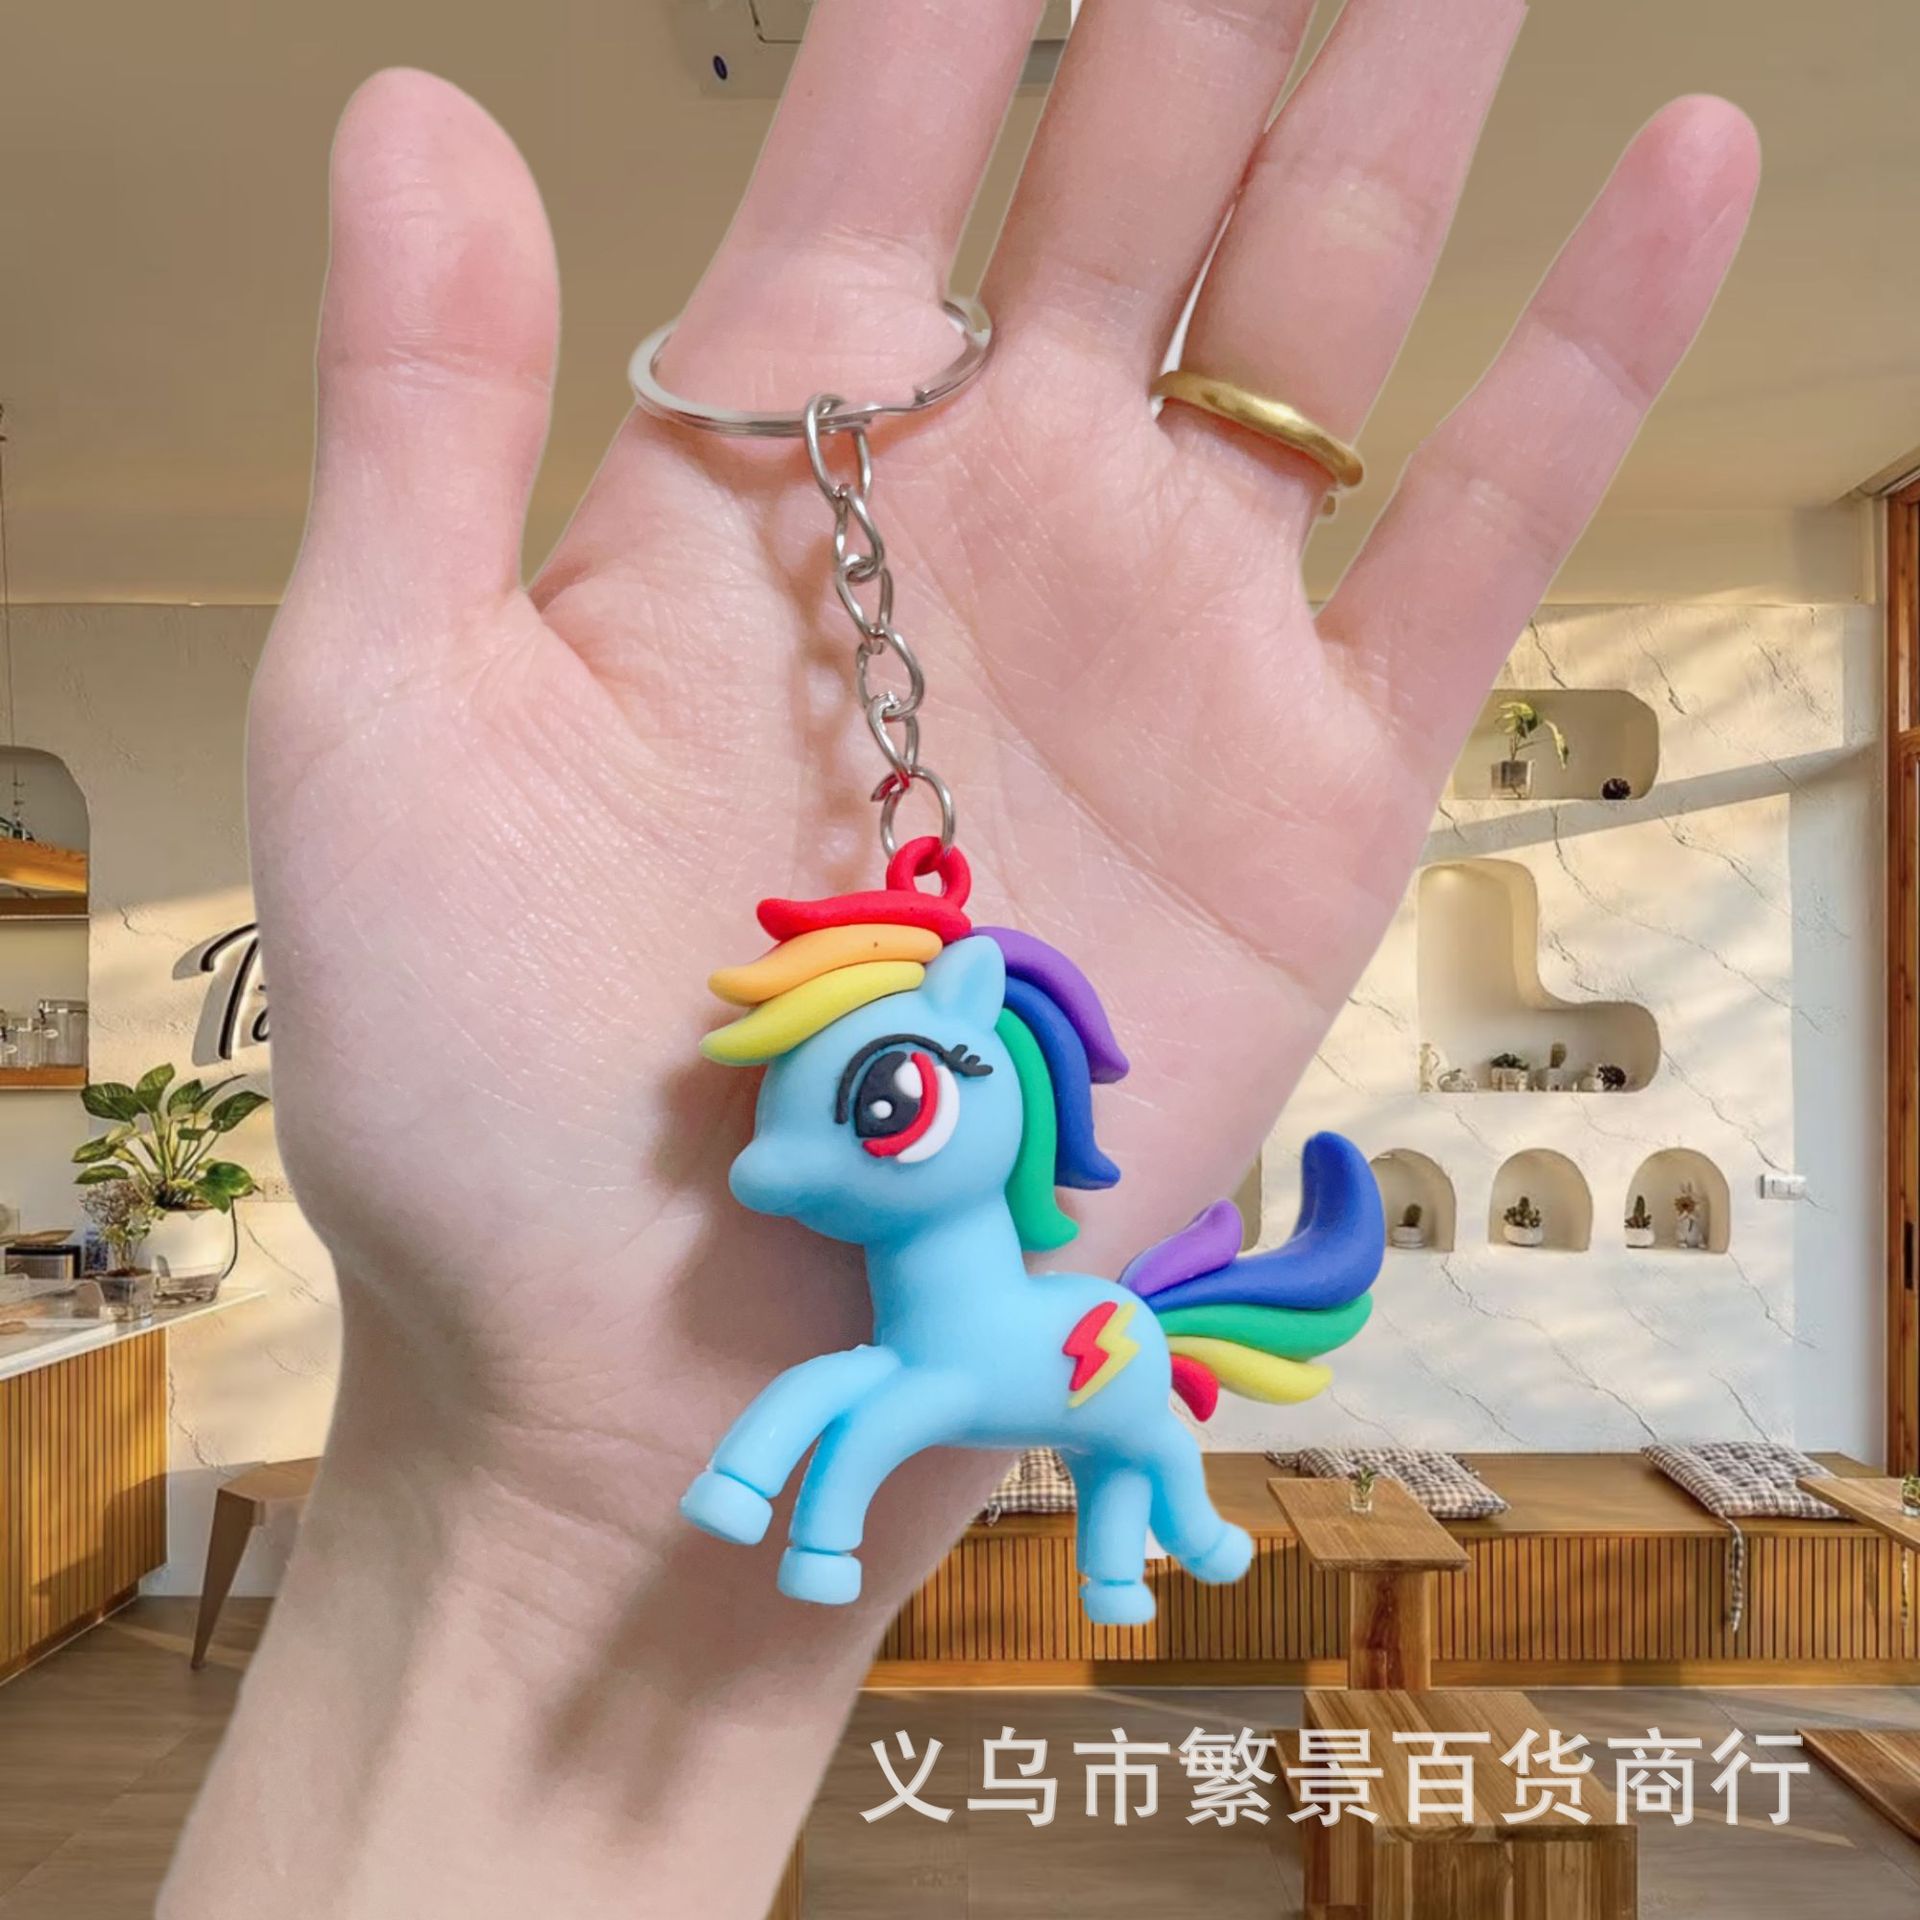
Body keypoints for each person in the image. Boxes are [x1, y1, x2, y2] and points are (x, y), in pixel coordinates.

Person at [160, 1, 1757, 1912]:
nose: (785, 1165)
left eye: (870, 1107)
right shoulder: (870, 1154)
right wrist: (535, 1489)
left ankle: (1144, 1521)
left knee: (1111, 1442)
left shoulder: (999, 1240)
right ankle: (1133, 1515)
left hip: (1005, 1354)